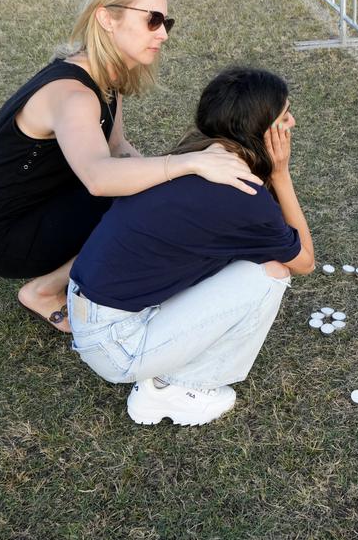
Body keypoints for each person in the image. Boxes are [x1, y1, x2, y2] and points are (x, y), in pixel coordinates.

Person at [0, 0, 259, 333]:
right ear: (106, 18)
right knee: (137, 200)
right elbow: (100, 178)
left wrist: (172, 192)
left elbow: (117, 149)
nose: (163, 33)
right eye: (151, 20)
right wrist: (189, 163)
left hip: (43, 207)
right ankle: (44, 289)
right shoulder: (74, 96)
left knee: (151, 196)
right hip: (4, 236)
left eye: (166, 22)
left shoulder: (105, 79)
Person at [66, 67, 314, 426]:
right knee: (271, 274)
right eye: (284, 115)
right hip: (116, 344)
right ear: (260, 130)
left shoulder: (198, 151)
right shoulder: (242, 194)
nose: (291, 122)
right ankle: (176, 388)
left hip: (92, 311)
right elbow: (303, 261)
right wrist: (280, 174)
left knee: (246, 261)